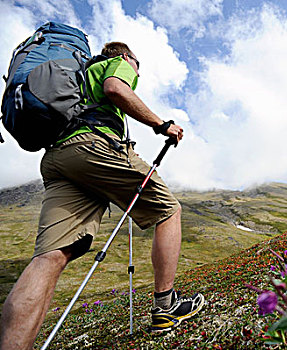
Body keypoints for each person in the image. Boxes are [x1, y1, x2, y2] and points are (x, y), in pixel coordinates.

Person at [0, 42, 204, 349]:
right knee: (169, 211)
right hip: (91, 146)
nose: (136, 72)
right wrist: (161, 124)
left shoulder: (79, 76)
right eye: (137, 66)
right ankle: (165, 305)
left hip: (57, 158)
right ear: (126, 57)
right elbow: (115, 89)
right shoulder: (116, 65)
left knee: (50, 257)